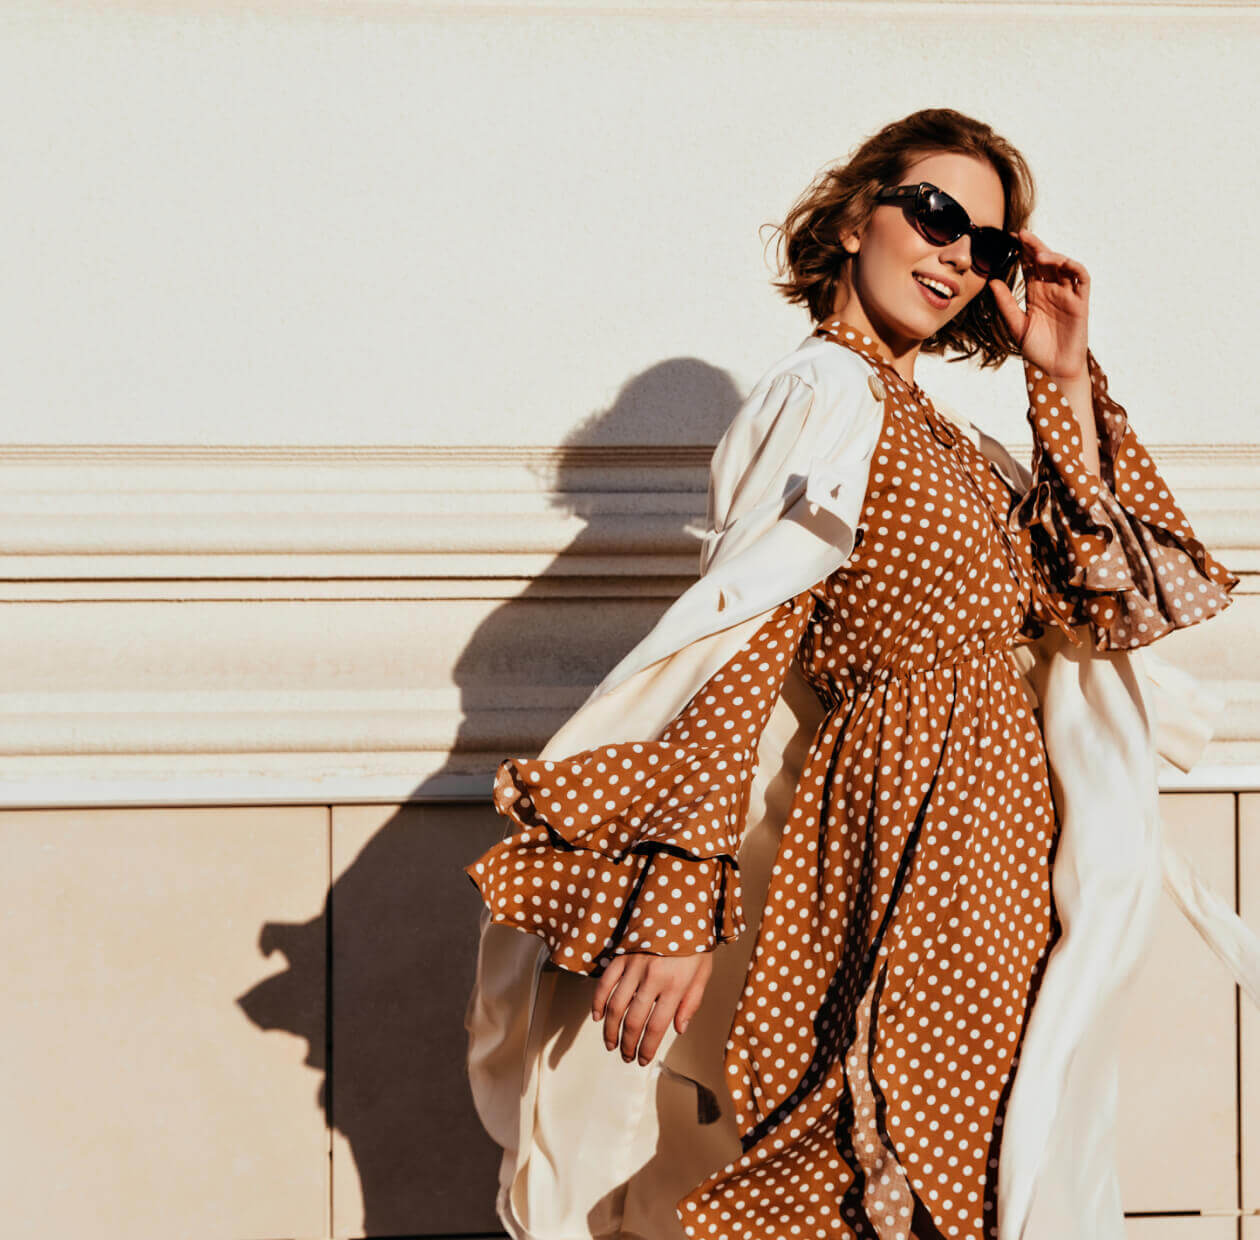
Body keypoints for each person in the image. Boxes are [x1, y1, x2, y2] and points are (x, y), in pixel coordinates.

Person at [462, 108, 1247, 1240]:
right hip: (905, 825)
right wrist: (676, 902)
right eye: (934, 214)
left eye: (987, 243)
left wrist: (1063, 377)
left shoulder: (946, 435)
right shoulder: (824, 394)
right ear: (851, 218)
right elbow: (743, 642)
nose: (956, 254)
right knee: (885, 1160)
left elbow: (1112, 600)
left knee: (986, 1164)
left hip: (997, 843)